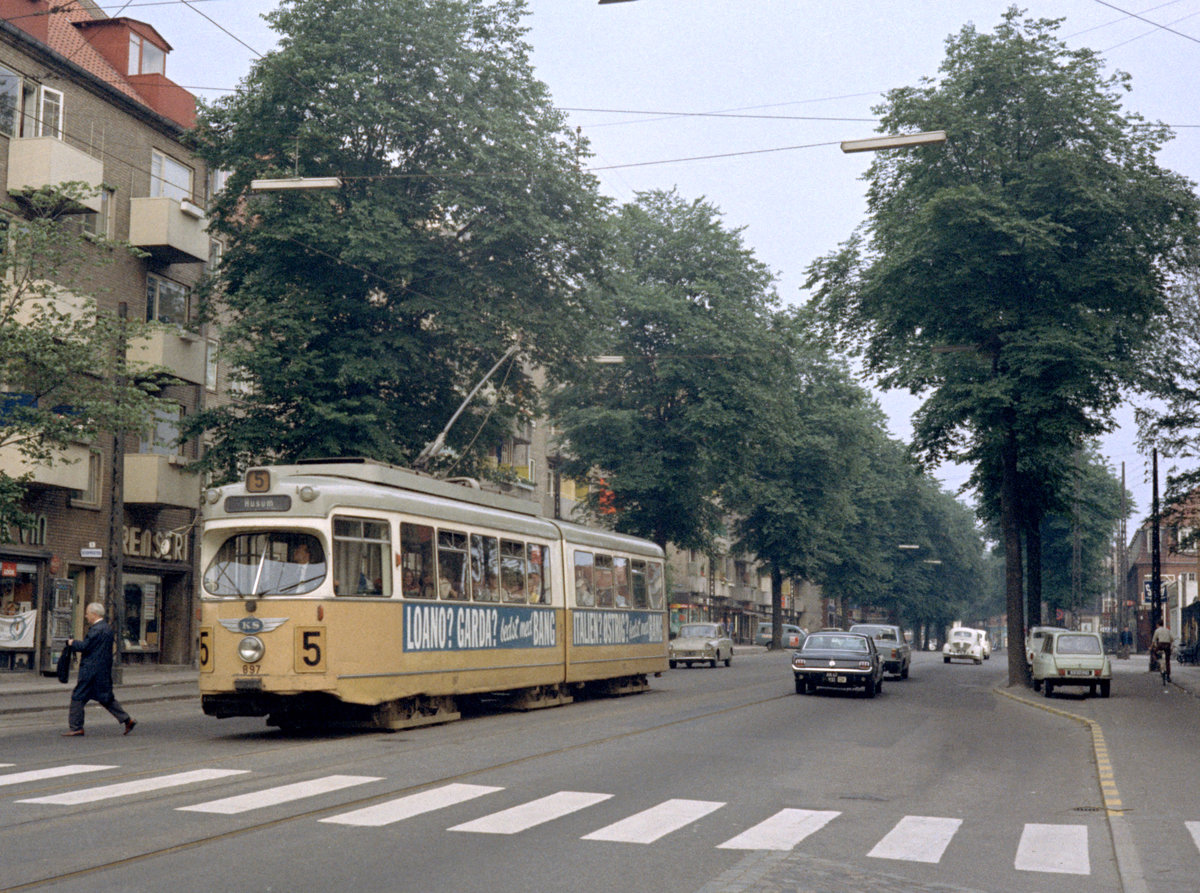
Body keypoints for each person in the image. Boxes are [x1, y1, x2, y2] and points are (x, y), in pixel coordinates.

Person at [62, 602, 135, 737]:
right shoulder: (107, 628)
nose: (86, 616)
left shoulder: (96, 630)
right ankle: (127, 719)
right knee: (105, 697)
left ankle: (76, 727)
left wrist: (72, 643)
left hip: (90, 670)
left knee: (78, 696)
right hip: (103, 670)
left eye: (87, 614)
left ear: (94, 614)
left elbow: (85, 646)